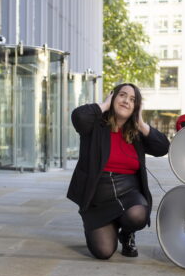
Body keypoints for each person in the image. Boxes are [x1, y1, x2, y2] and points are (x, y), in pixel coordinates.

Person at [67, 83, 170, 260]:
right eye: (122, 95)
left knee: (138, 215)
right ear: (113, 97)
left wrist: (141, 122)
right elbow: (78, 116)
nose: (126, 101)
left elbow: (163, 147)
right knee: (104, 252)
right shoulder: (95, 125)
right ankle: (110, 224)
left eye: (132, 100)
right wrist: (105, 105)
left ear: (136, 107)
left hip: (128, 192)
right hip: (97, 198)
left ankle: (127, 232)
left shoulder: (136, 133)